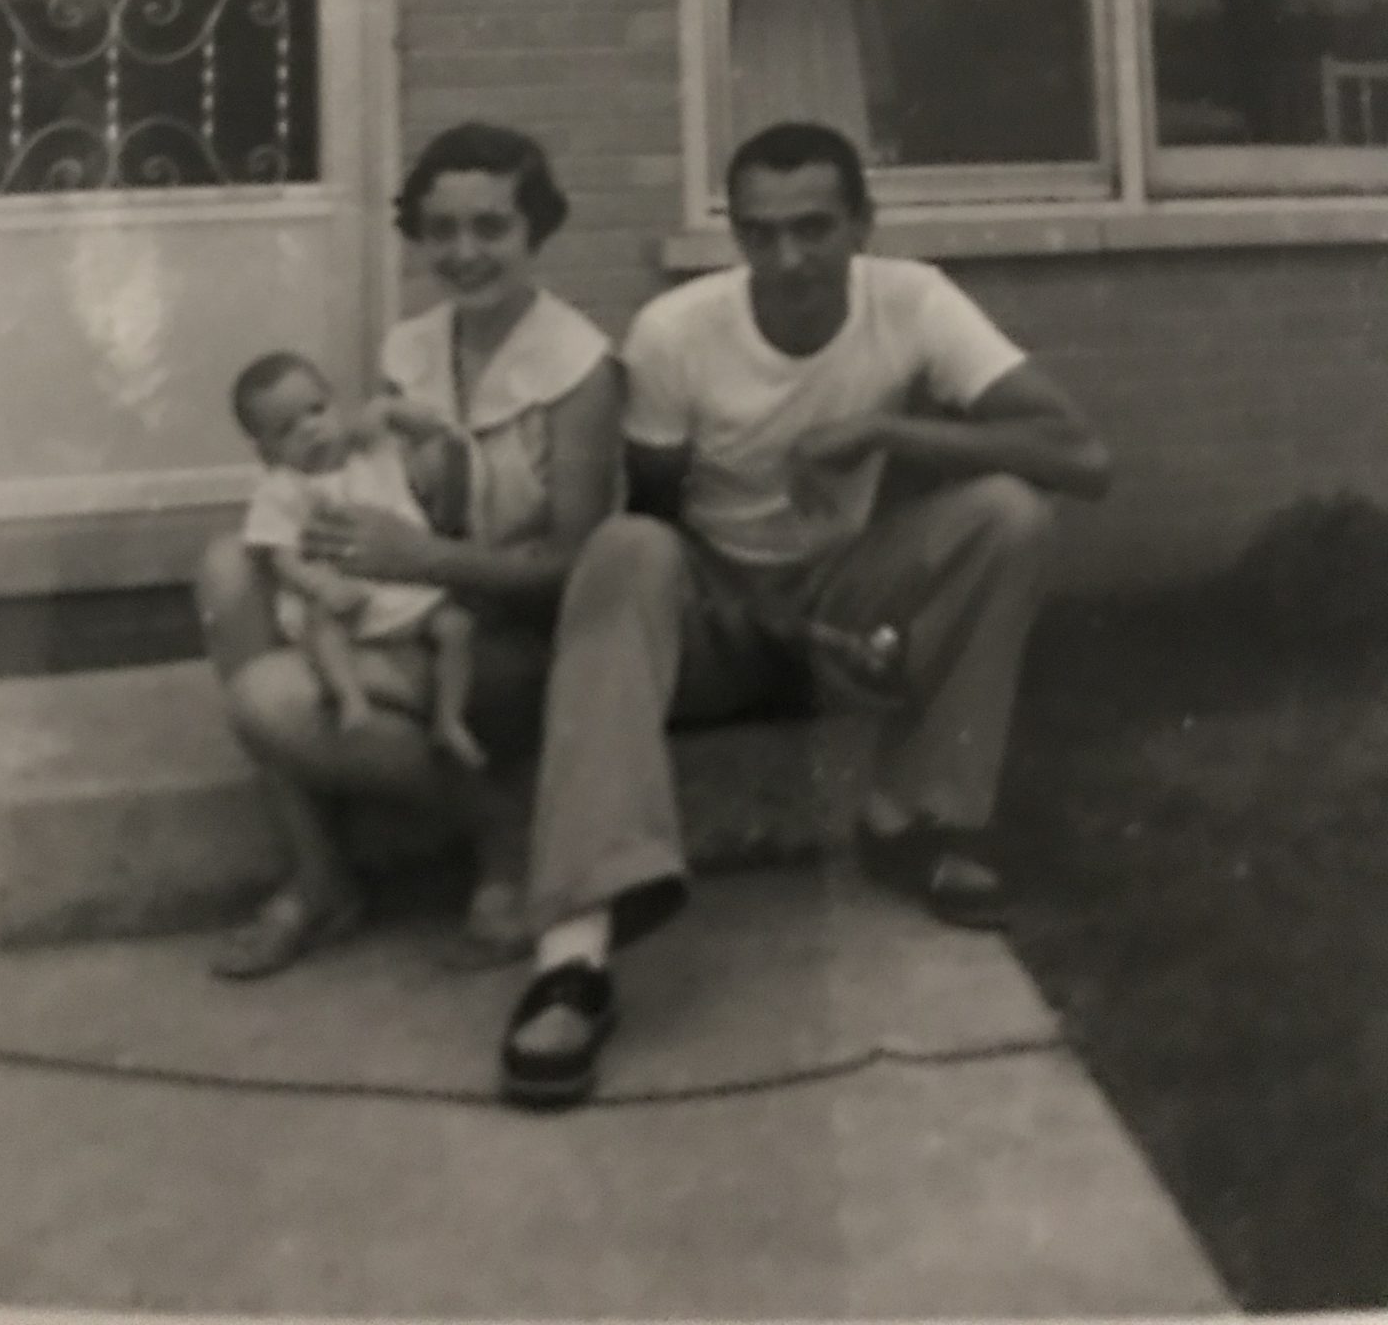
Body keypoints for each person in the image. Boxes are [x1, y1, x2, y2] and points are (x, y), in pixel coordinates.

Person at [497, 120, 1113, 1110]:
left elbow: (1085, 457)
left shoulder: (913, 300)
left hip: (840, 591)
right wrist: (765, 620)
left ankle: (917, 819)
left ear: (864, 225)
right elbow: (656, 526)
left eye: (815, 229)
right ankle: (574, 953)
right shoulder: (677, 333)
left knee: (1011, 515)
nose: (787, 259)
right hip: (716, 613)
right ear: (736, 235)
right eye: (761, 232)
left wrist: (883, 426)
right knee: (622, 550)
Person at [197, 122, 620, 981]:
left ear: (536, 230)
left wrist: (423, 562)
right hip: (406, 610)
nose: (464, 253)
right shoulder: (412, 348)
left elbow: (577, 570)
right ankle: (320, 877)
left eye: (492, 227)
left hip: (509, 633)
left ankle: (501, 833)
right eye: (441, 231)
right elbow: (370, 482)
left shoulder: (581, 370)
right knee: (225, 569)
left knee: (269, 703)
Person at [232, 349, 481, 766]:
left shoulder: (375, 452)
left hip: (406, 590)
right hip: (345, 601)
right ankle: (350, 699)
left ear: (336, 404)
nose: (311, 429)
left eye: (317, 409)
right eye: (286, 429)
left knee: (458, 627)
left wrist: (389, 410)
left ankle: (450, 719)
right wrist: (322, 585)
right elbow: (281, 557)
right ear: (266, 453)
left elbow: (438, 431)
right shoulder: (283, 489)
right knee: (320, 625)